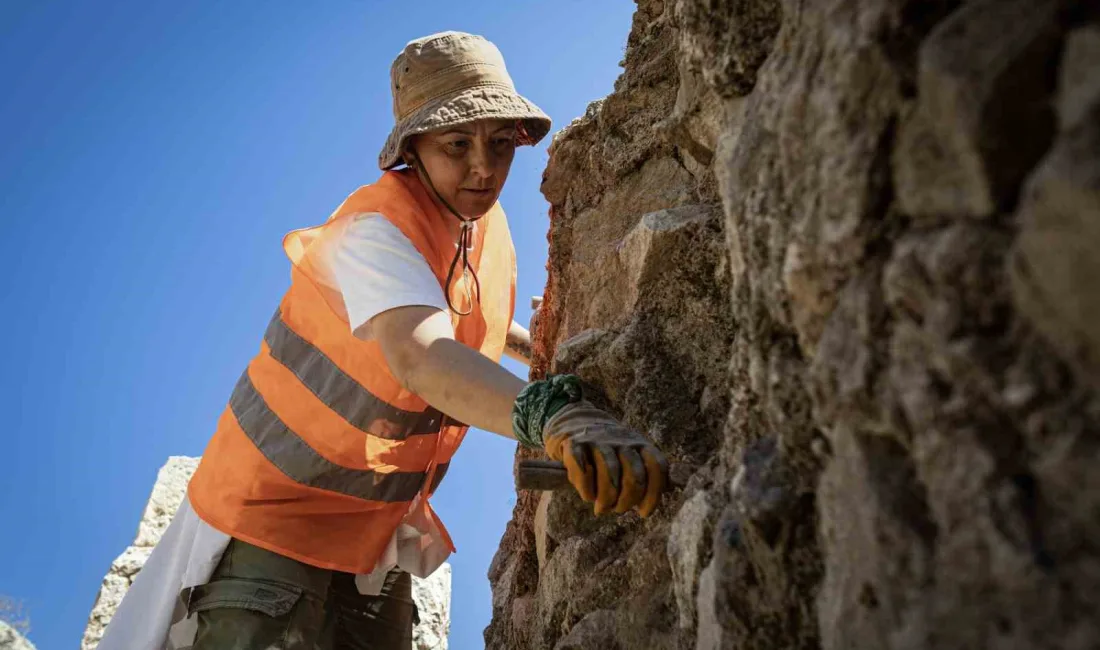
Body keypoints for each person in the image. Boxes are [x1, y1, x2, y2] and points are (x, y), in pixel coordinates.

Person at [97, 31, 667, 650]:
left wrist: (546, 351)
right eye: (457, 144)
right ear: (411, 149)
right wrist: (551, 412)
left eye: (501, 144)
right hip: (274, 523)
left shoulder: (480, 230)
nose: (484, 166)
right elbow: (422, 353)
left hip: (373, 538)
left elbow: (477, 329)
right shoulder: (376, 232)